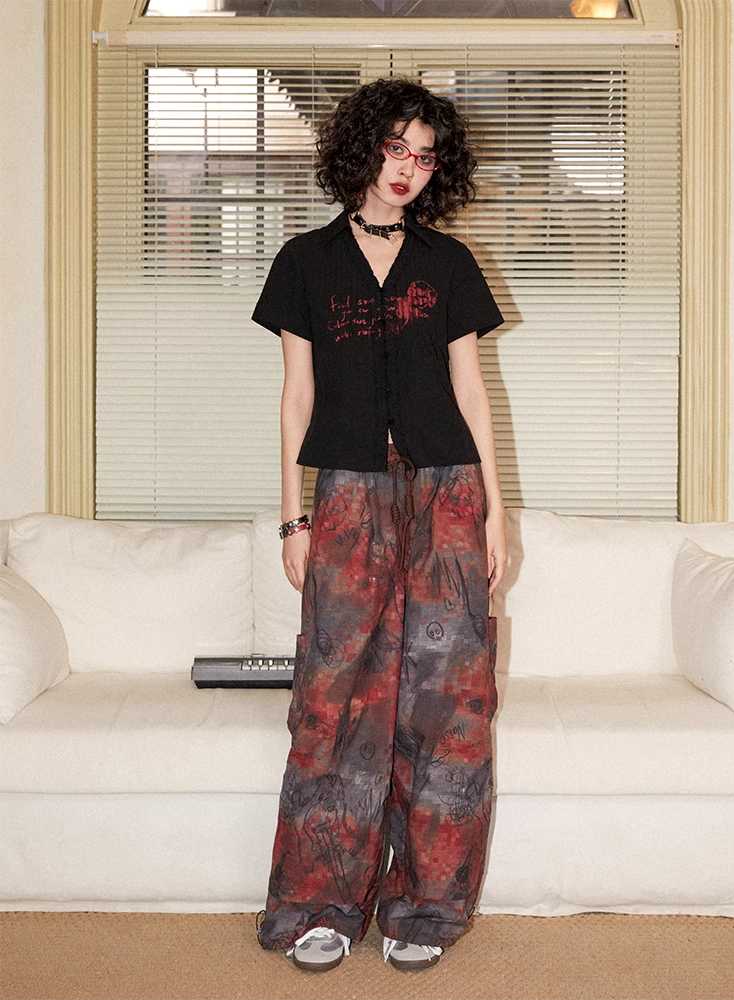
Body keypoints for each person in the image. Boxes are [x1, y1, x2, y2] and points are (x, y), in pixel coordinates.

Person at [251, 76, 508, 974]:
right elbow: (296, 398)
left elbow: (472, 389)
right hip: (349, 497)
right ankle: (319, 902)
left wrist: (495, 512)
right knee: (334, 700)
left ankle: (422, 907)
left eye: (425, 157)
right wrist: (293, 517)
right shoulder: (304, 261)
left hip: (447, 495)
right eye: (396, 148)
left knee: (449, 705)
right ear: (363, 149)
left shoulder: (450, 262)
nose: (408, 169)